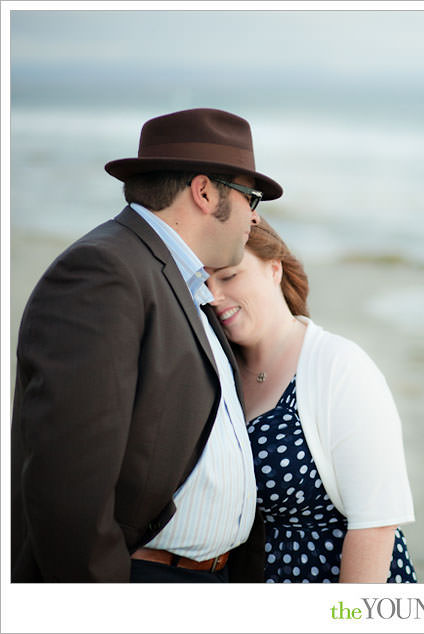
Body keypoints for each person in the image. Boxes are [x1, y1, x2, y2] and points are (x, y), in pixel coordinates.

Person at [11, 108, 282, 582]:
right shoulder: (104, 272)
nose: (255, 217)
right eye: (249, 197)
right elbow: (68, 482)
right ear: (204, 192)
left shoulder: (180, 278)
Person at [206, 219, 417, 583]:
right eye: (202, 285)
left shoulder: (338, 365)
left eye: (228, 276)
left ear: (274, 269)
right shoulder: (219, 373)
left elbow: (376, 524)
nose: (214, 296)